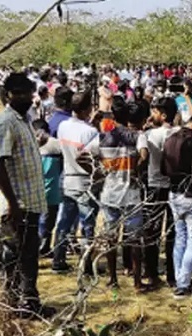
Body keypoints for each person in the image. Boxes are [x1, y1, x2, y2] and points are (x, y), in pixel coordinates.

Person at [0, 73, 53, 319]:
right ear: (8, 95)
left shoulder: (25, 118)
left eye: (29, 93)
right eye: (20, 93)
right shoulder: (4, 122)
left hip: (31, 199)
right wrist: (12, 203)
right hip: (17, 203)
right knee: (12, 255)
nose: (27, 97)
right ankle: (14, 303)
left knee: (28, 254)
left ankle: (29, 301)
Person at [92, 99, 146, 291]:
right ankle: (137, 281)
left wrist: (101, 171)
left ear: (113, 117)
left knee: (110, 238)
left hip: (109, 193)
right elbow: (144, 155)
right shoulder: (137, 136)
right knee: (134, 239)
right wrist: (136, 170)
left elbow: (82, 156)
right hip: (131, 194)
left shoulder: (103, 137)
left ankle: (113, 278)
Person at [162, 113, 192, 299]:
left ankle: (179, 279)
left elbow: (162, 167)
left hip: (174, 193)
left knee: (180, 238)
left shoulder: (171, 137)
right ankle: (182, 284)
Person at [53, 91, 99, 275]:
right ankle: (86, 264)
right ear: (88, 109)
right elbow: (91, 156)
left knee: (64, 221)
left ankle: (58, 259)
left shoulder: (63, 126)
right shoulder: (90, 131)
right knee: (87, 224)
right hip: (84, 181)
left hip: (67, 178)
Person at [138, 96, 178, 288]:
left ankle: (152, 272)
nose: (151, 115)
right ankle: (173, 273)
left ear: (163, 115)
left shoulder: (149, 135)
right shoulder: (179, 133)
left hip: (154, 186)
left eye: (154, 112)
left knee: (152, 231)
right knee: (173, 232)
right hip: (174, 187)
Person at [34, 119, 63, 258]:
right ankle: (43, 248)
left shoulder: (30, 144)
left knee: (38, 221)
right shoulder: (56, 144)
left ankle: (40, 248)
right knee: (48, 221)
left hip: (34, 191)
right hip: (52, 191)